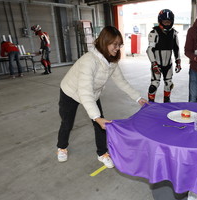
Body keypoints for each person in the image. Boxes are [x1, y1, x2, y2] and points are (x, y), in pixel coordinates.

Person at [56, 26, 149, 167]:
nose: (118, 48)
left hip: (93, 92)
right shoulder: (89, 61)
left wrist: (138, 98)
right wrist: (96, 116)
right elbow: (84, 91)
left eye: (120, 45)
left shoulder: (111, 61)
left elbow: (121, 81)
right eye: (115, 44)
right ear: (105, 42)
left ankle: (102, 153)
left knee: (101, 125)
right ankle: (62, 147)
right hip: (71, 91)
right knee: (67, 123)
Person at [146, 9, 181, 103]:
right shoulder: (154, 33)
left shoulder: (174, 33)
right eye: (165, 21)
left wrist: (178, 61)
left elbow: (176, 48)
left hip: (168, 64)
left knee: (168, 84)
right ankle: (151, 103)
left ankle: (166, 101)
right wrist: (154, 63)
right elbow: (149, 50)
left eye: (168, 21)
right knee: (154, 84)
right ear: (160, 21)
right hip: (157, 64)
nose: (167, 23)